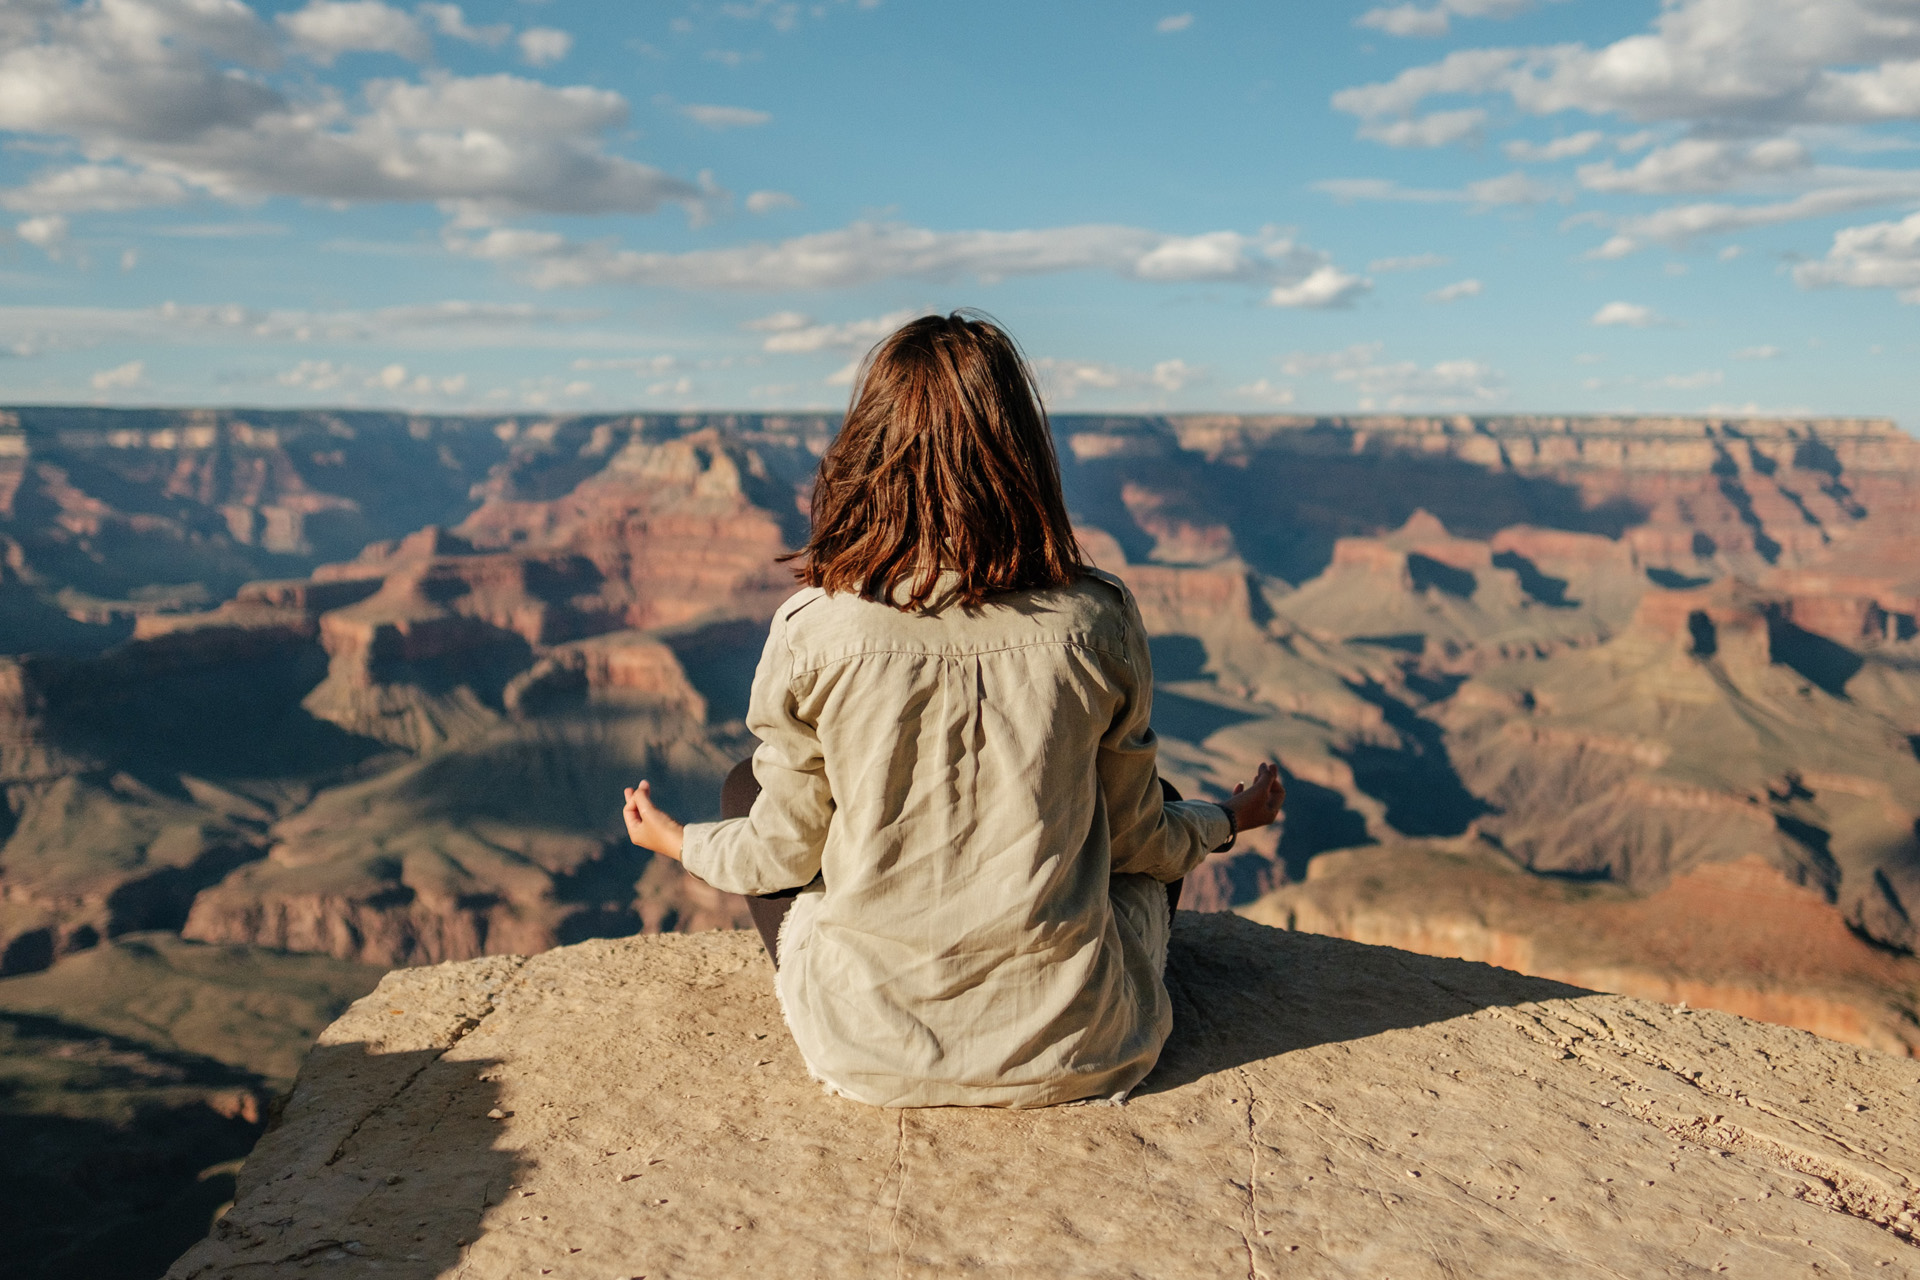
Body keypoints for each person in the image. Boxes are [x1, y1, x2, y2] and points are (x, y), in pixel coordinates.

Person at [621, 311, 1284, 1108]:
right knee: (1162, 802)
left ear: (866, 453)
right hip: (1082, 1049)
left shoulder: (813, 628)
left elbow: (782, 857)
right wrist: (1227, 818)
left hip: (867, 1055)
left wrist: (676, 841)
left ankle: (883, 1009)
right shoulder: (1095, 619)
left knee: (744, 792)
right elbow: (1141, 840)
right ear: (1023, 454)